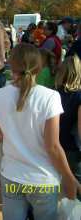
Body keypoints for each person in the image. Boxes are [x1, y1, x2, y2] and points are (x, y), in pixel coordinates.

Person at [0, 43, 80, 219]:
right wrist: (69, 177)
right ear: (40, 66)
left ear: (11, 66)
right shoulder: (50, 97)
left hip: (12, 177)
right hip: (43, 181)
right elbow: (52, 147)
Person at [55, 55, 81, 190]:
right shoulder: (79, 96)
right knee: (75, 183)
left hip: (55, 144)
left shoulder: (53, 93)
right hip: (73, 147)